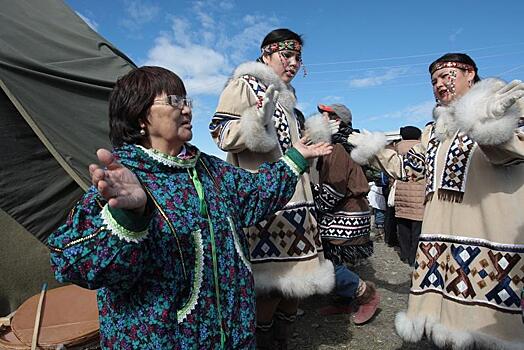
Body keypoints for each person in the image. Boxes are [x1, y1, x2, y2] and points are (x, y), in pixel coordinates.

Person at [47, 66, 333, 349]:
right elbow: (72, 262)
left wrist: (296, 157)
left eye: (187, 101)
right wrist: (128, 218)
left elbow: (256, 194)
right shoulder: (121, 178)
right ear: (139, 116)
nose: (186, 109)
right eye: (174, 101)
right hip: (164, 340)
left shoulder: (209, 169)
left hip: (234, 335)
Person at [347, 53, 524, 349]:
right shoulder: (435, 130)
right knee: (445, 327)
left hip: (490, 235)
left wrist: (491, 127)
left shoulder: (504, 106)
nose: (439, 84)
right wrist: (373, 149)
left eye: (446, 76)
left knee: (491, 329)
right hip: (440, 240)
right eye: (433, 81)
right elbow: (406, 168)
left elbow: (513, 152)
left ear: (471, 74)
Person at [209, 28, 336, 349]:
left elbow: (293, 148)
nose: (293, 63)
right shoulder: (244, 85)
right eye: (286, 55)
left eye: (298, 58)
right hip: (265, 204)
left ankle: (283, 342)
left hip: (298, 202)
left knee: (297, 285)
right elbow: (221, 132)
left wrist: (312, 136)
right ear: (266, 54)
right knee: (270, 287)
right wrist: (256, 120)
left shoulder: (288, 98)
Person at [311, 103, 380, 324]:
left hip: (344, 211)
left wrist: (313, 207)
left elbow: (334, 188)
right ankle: (343, 300)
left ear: (336, 121)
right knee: (334, 256)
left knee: (327, 261)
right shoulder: (343, 144)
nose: (319, 118)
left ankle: (366, 294)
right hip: (349, 209)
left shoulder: (337, 148)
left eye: (324, 115)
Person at [394, 126, 425, 266]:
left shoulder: (396, 149)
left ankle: (404, 254)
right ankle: (414, 257)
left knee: (403, 227)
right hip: (419, 194)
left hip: (401, 193)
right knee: (417, 228)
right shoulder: (423, 148)